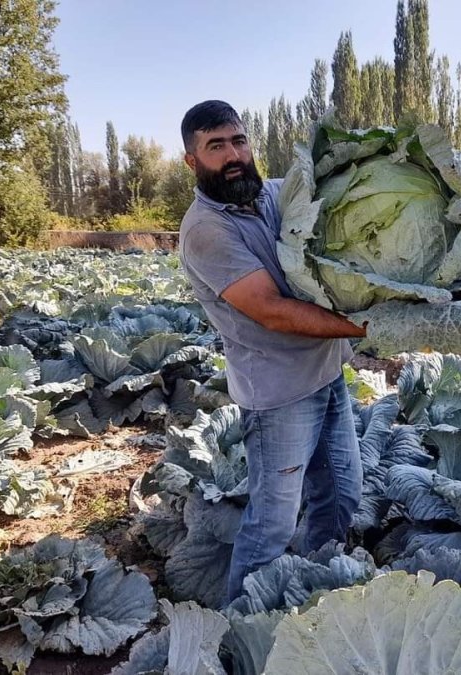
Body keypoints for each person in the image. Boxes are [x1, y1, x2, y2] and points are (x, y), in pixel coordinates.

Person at [178, 100, 365, 605]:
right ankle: (243, 625)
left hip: (327, 374)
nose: (233, 154)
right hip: (279, 394)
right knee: (272, 525)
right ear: (192, 162)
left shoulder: (274, 195)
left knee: (343, 492)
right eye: (216, 147)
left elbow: (340, 201)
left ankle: (318, 587)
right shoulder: (206, 231)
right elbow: (272, 311)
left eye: (239, 141)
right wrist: (363, 326)